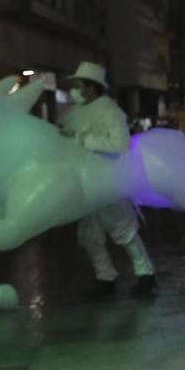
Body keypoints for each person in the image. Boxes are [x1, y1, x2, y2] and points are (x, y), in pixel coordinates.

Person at [61, 62, 155, 298]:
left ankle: (145, 274)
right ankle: (105, 277)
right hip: (83, 183)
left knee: (123, 229)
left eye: (78, 85)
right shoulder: (73, 113)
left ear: (91, 88)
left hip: (108, 180)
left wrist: (86, 141)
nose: (74, 90)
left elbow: (121, 144)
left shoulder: (110, 110)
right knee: (89, 234)